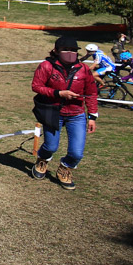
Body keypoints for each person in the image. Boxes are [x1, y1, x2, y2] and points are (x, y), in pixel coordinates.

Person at [31, 36, 98, 190]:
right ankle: (42, 159)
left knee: (76, 153)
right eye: (66, 50)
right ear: (56, 51)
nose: (70, 53)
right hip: (53, 111)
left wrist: (92, 116)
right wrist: (58, 93)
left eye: (74, 50)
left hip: (76, 114)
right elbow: (36, 86)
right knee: (51, 146)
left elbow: (92, 93)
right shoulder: (47, 66)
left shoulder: (84, 70)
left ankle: (65, 168)